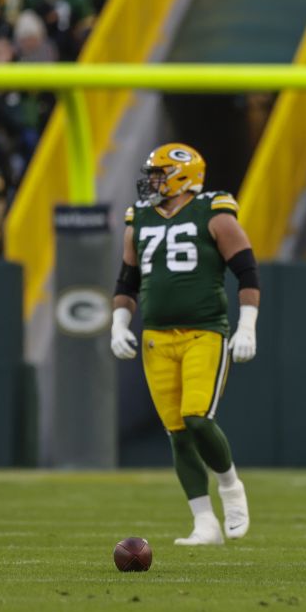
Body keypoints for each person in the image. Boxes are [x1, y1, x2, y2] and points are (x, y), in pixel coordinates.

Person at [109, 143, 258, 546]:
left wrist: (247, 326)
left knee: (196, 417)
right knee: (177, 432)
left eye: (158, 174)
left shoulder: (214, 211)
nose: (151, 182)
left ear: (181, 176)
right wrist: (119, 322)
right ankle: (204, 523)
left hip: (204, 330)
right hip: (157, 336)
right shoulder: (138, 218)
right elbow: (127, 279)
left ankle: (230, 488)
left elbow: (246, 270)